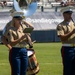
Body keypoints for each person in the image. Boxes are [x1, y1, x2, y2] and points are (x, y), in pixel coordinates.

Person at [56, 6, 75, 75]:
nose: (70, 15)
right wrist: (72, 32)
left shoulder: (73, 24)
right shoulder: (60, 25)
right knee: (68, 69)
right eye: (68, 14)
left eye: (71, 14)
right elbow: (62, 38)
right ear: (64, 14)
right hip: (67, 49)